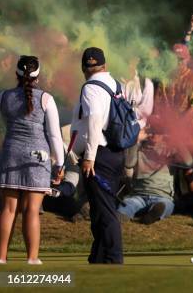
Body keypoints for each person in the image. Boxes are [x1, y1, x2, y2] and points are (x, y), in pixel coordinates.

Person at [0, 56, 64, 265]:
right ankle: (32, 258)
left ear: (16, 74)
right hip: (38, 157)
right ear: (38, 75)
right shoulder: (46, 98)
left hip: (10, 154)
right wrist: (60, 163)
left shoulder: (3, 96)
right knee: (32, 210)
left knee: (8, 209)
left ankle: (0, 258)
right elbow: (55, 136)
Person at [70, 47, 126, 264]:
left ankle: (112, 258)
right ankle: (99, 256)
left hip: (99, 155)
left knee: (104, 211)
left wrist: (89, 157)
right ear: (105, 65)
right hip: (115, 153)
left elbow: (94, 121)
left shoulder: (91, 87)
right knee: (101, 209)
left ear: (84, 68)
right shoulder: (115, 84)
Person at [118, 126, 192, 224]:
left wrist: (176, 140)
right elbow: (128, 164)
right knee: (129, 204)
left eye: (156, 132)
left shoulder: (169, 151)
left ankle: (152, 215)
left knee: (166, 205)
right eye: (150, 131)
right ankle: (121, 215)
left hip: (163, 196)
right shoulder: (139, 148)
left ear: (163, 135)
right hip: (139, 195)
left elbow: (188, 162)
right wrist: (135, 139)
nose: (152, 135)